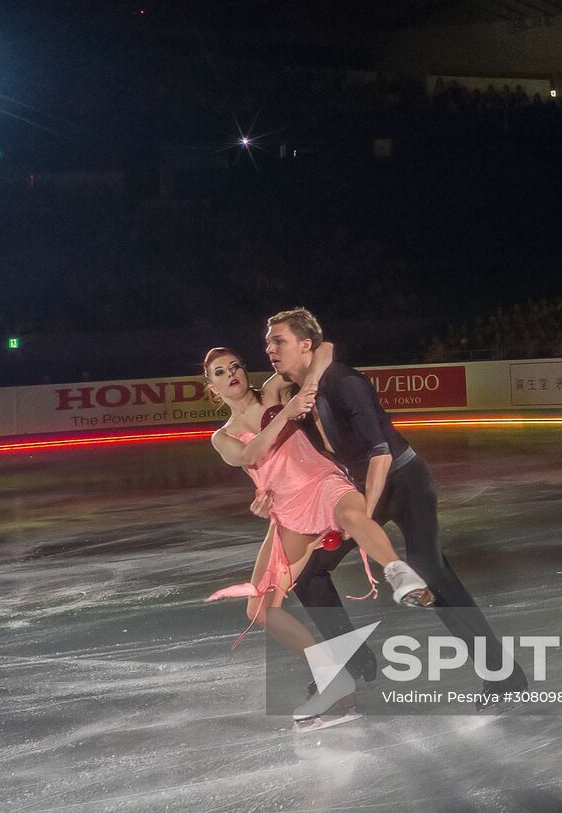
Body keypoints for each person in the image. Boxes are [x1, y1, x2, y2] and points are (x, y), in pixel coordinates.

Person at [265, 307, 528, 702]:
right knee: (308, 574)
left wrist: (363, 516)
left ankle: (505, 677)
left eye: (278, 340)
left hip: (403, 480)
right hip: (358, 484)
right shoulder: (295, 392)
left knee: (429, 570)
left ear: (305, 344)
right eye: (267, 342)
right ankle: (355, 662)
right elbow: (273, 392)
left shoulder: (346, 383)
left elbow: (380, 452)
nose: (269, 348)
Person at [200, 345, 432, 722]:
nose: (231, 375)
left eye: (236, 366)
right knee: (259, 608)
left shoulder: (273, 392)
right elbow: (249, 456)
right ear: (212, 387)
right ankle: (334, 677)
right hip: (289, 511)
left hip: (322, 482)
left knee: (353, 513)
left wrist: (301, 386)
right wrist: (286, 418)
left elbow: (324, 350)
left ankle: (398, 573)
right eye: (220, 373)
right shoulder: (223, 437)